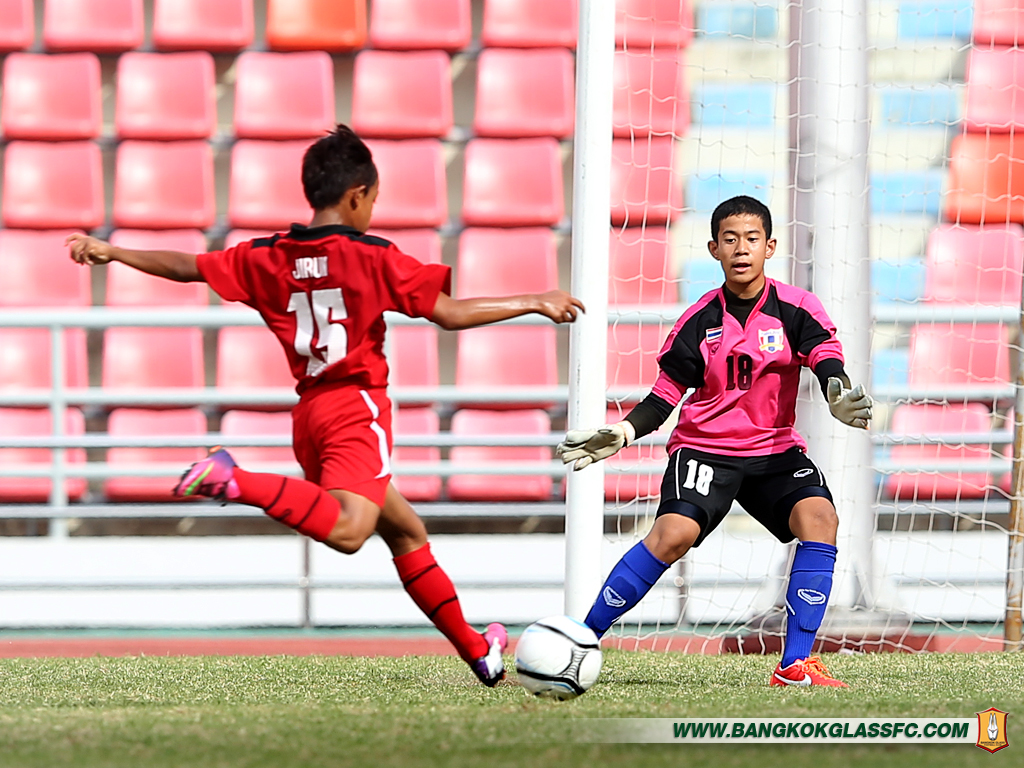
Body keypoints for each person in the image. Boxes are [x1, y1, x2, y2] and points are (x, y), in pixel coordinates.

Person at [68, 124, 585, 688]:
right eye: (374, 200)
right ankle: (235, 479)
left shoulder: (268, 256)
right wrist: (535, 300)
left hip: (310, 415)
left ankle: (479, 651)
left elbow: (189, 265)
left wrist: (115, 251)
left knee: (406, 532)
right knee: (348, 531)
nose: (373, 210)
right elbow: (449, 312)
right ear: (357, 195)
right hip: (356, 408)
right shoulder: (371, 256)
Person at [557, 196, 872, 688]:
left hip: (773, 450)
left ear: (770, 247)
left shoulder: (796, 307)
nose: (741, 249)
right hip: (706, 450)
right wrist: (623, 431)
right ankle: (578, 642)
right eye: (730, 239)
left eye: (751, 239)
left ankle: (794, 665)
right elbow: (664, 396)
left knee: (820, 519)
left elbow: (825, 355)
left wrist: (837, 390)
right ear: (713, 249)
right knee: (672, 535)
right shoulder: (699, 319)